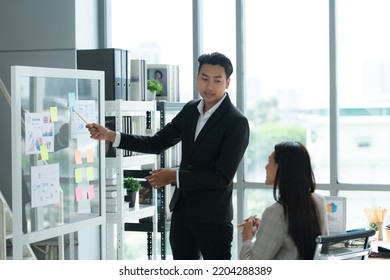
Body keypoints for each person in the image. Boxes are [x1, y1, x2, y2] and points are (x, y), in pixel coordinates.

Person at [86, 52, 250, 260]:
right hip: (182, 214)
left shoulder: (236, 122)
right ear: (196, 78)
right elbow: (157, 143)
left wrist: (174, 176)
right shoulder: (191, 110)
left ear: (227, 82)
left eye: (217, 80)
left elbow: (221, 177)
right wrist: (110, 135)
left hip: (213, 219)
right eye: (204, 78)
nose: (209, 86)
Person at [238, 141, 328, 260]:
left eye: (269, 161)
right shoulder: (319, 201)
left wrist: (247, 238)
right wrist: (266, 230)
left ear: (280, 168)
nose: (265, 167)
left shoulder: (276, 212)